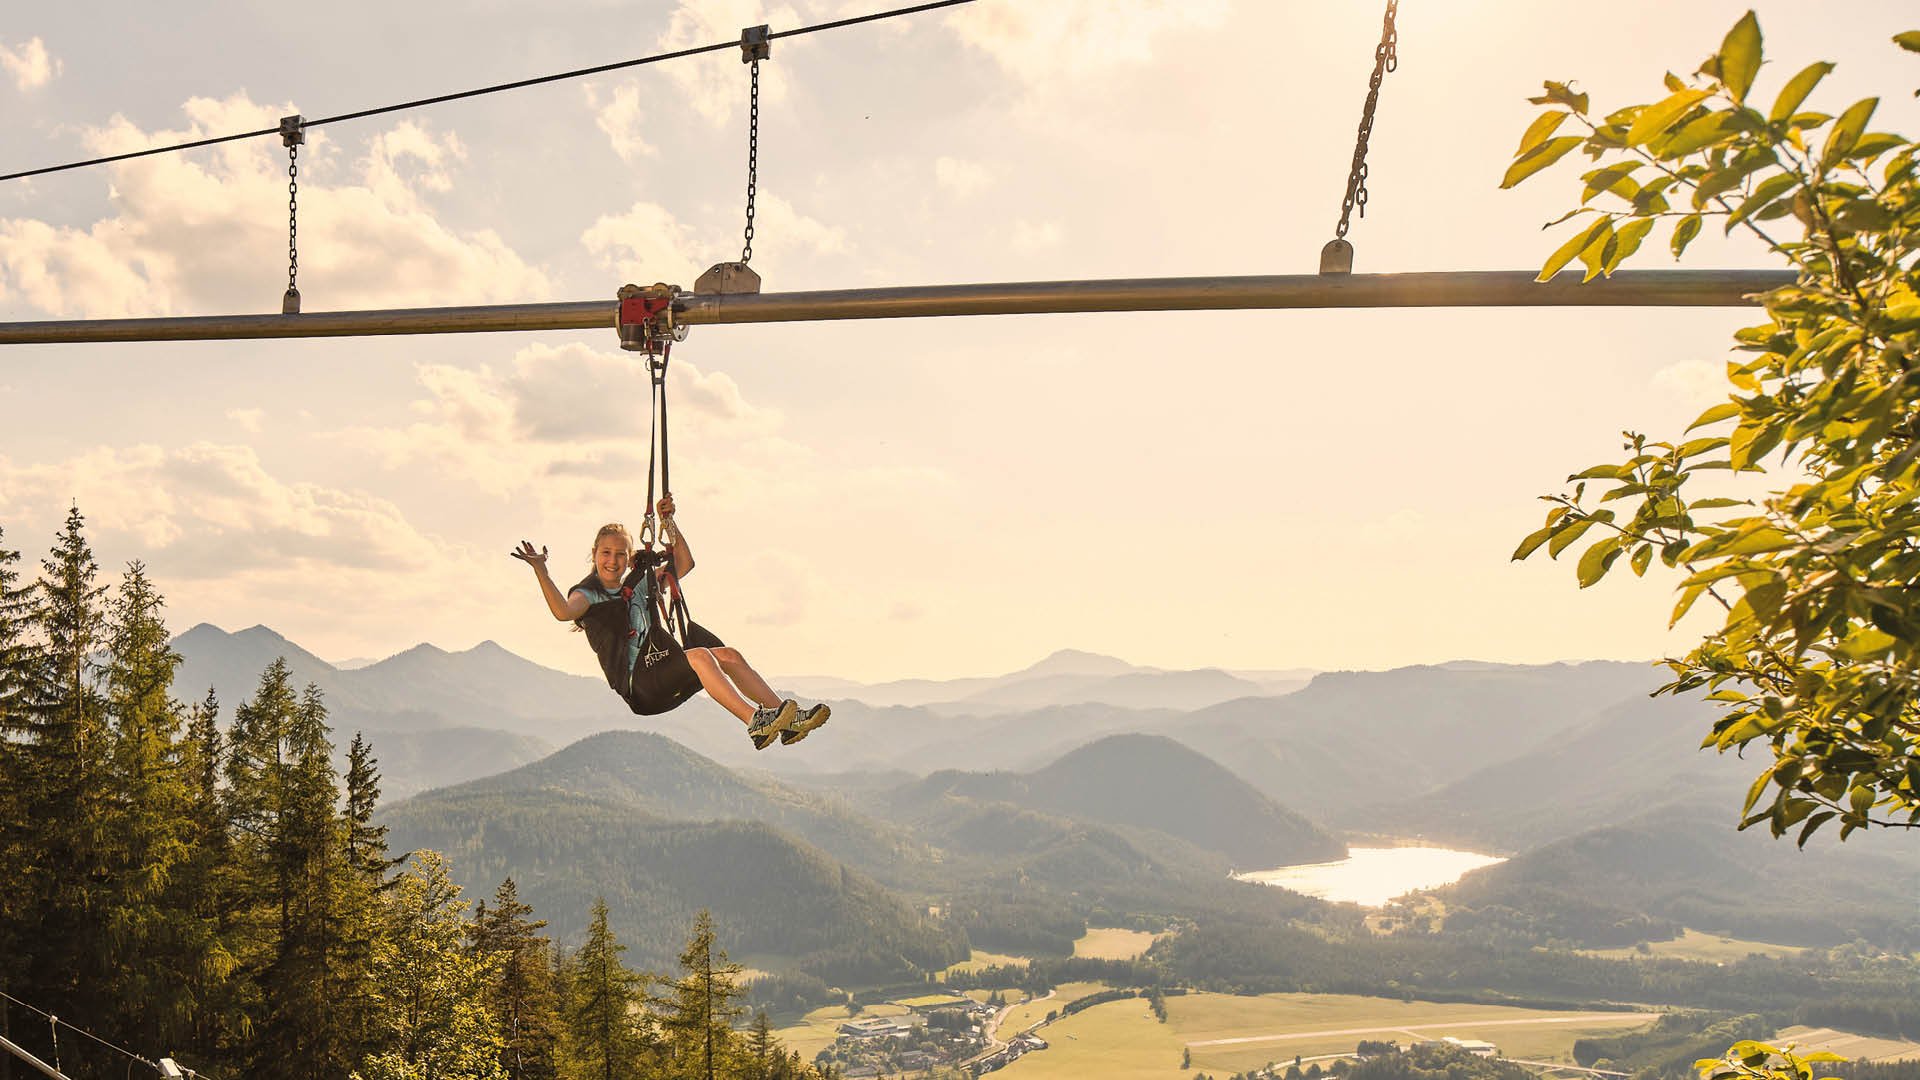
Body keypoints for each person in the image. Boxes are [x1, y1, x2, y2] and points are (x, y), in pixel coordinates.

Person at [513, 495, 828, 749]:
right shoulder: (589, 594)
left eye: (620, 554)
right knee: (700, 655)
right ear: (594, 554)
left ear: (628, 556)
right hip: (641, 686)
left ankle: (789, 720)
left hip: (662, 668)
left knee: (728, 655)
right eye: (606, 553)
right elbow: (563, 612)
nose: (613, 561)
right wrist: (541, 570)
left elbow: (683, 564)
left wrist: (668, 522)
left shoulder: (639, 582)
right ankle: (755, 721)